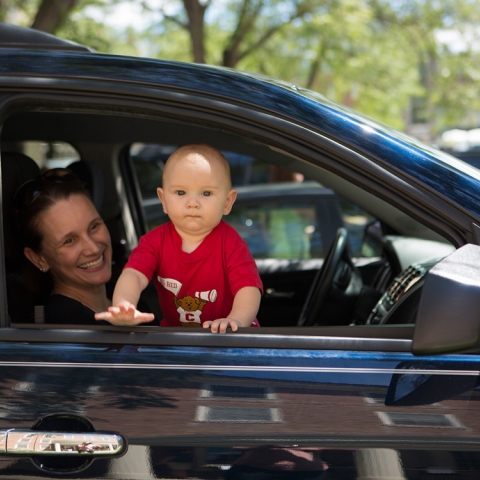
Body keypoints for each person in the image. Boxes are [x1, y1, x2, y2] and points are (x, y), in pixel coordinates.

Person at [95, 144, 263, 333]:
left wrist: (236, 320)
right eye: (181, 193)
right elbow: (134, 274)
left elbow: (248, 288)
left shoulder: (231, 244)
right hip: (178, 337)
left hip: (230, 337)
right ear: (163, 200)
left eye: (206, 193)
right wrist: (124, 305)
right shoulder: (154, 242)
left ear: (227, 202)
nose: (192, 203)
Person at [13, 168, 156, 325]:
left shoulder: (124, 296)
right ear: (38, 258)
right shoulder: (65, 328)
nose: (94, 248)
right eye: (69, 241)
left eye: (94, 227)